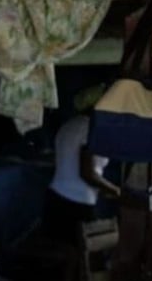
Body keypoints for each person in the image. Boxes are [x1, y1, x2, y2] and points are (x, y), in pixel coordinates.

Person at [42, 88, 119, 242]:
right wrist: (116, 191)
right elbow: (87, 173)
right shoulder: (92, 130)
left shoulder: (69, 125)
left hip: (55, 199)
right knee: (80, 258)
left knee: (65, 256)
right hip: (77, 204)